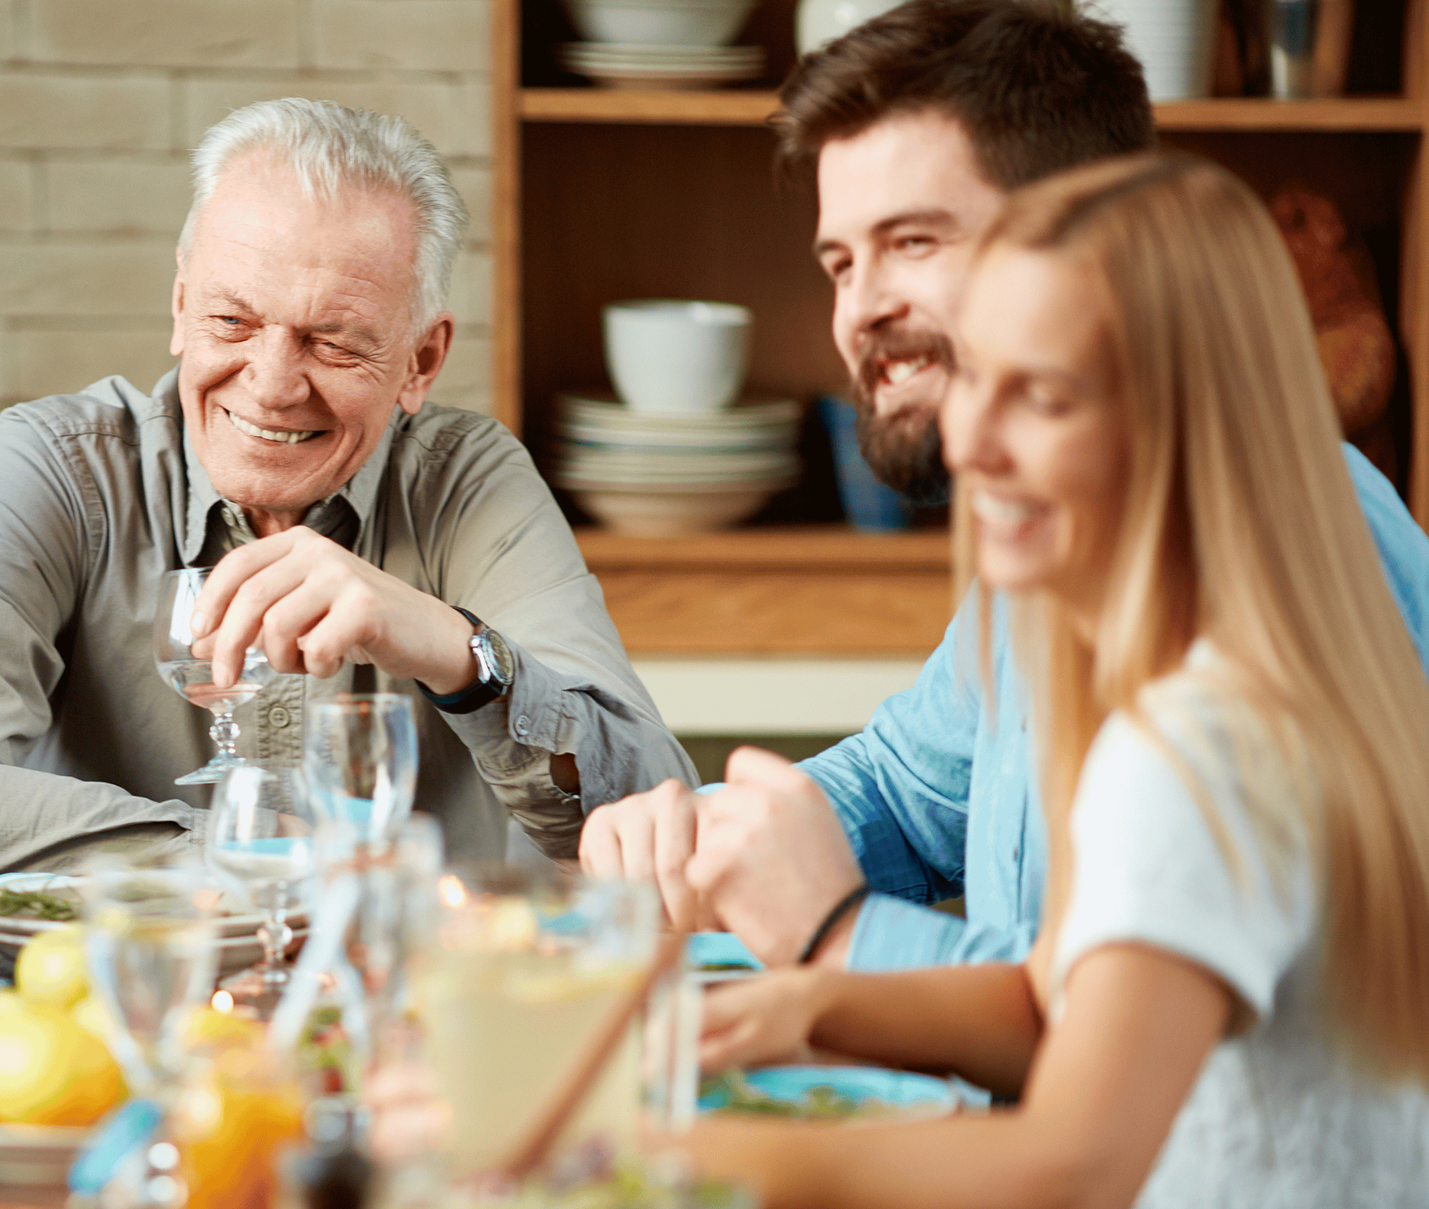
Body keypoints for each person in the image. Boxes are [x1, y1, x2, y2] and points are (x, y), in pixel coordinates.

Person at [689, 152, 1429, 1209]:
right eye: (978, 381)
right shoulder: (1183, 671)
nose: (971, 437)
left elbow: (1066, 1180)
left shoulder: (1202, 741)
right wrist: (813, 1002)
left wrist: (668, 1159)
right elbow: (1063, 999)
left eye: (1047, 394)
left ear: (1184, 424)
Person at [579, 0, 1429, 969]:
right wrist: (706, 838)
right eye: (839, 263)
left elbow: (1151, 1043)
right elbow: (905, 791)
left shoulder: (1282, 544)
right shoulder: (1049, 522)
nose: (858, 311)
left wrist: (838, 939)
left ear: (1082, 237)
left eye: (912, 242)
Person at [0, 98, 692, 871]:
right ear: (182, 304)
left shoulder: (467, 482)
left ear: (421, 360)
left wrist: (458, 649)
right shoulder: (60, 465)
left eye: (332, 342)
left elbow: (652, 811)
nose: (271, 384)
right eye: (232, 321)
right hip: (111, 994)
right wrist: (237, 854)